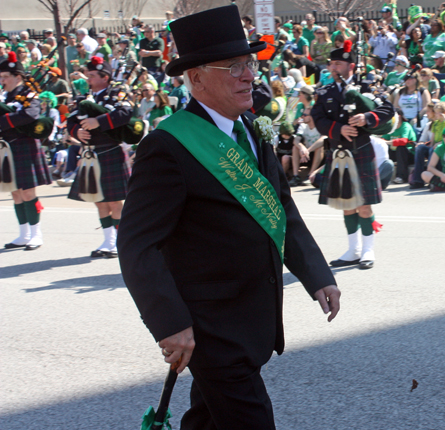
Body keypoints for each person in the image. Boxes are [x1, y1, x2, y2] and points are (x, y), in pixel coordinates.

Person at [117, 5, 340, 430]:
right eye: (234, 66)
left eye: (250, 63)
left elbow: (281, 207)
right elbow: (136, 245)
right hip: (210, 328)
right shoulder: (168, 147)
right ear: (197, 77)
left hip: (253, 319)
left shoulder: (252, 128)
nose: (249, 75)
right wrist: (170, 324)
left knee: (208, 420)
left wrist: (317, 274)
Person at [311, 41, 395, 270]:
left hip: (361, 151)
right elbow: (318, 119)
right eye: (331, 64)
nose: (332, 68)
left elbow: (387, 110)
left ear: (350, 65)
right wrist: (338, 130)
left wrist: (367, 117)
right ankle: (353, 249)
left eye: (337, 63)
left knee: (364, 205)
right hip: (339, 153)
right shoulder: (325, 91)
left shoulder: (367, 85)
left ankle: (368, 250)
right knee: (347, 204)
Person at [67, 56, 133, 258]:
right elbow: (70, 120)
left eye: (92, 75)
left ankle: (122, 241)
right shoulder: (84, 96)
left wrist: (99, 121)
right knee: (98, 200)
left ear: (104, 77)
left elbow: (126, 113)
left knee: (114, 201)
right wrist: (76, 131)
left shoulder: (117, 93)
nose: (87, 78)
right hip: (90, 154)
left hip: (110, 150)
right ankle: (108, 240)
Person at [1, 52, 52, 250]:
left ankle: (36, 233)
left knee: (28, 192)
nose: (2, 80)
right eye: (1, 77)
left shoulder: (30, 94)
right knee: (14, 192)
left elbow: (31, 114)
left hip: (24, 146)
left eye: (6, 77)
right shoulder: (5, 96)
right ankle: (23, 234)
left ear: (18, 77)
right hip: (6, 147)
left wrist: (4, 121)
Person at [421, 124, 445, 191]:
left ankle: (440, 187)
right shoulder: (439, 148)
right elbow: (430, 167)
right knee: (425, 174)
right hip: (444, 177)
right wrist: (442, 175)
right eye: (444, 136)